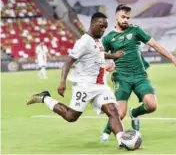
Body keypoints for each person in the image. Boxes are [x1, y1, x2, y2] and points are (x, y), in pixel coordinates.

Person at [26, 12, 126, 147]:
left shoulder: (97, 40)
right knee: (71, 117)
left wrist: (113, 56)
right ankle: (45, 98)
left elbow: (100, 53)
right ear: (93, 23)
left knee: (113, 111)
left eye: (105, 27)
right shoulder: (83, 42)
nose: (103, 30)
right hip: (85, 86)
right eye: (101, 26)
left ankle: (123, 141)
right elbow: (68, 62)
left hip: (100, 85)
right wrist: (62, 82)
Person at [100, 4, 176, 142]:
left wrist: (174, 60)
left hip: (140, 75)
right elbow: (100, 54)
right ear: (116, 17)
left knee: (152, 105)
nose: (126, 20)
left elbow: (155, 45)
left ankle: (135, 113)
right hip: (122, 77)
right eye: (123, 17)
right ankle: (107, 131)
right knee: (120, 113)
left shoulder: (135, 31)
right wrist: (107, 65)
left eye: (128, 17)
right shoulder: (109, 38)